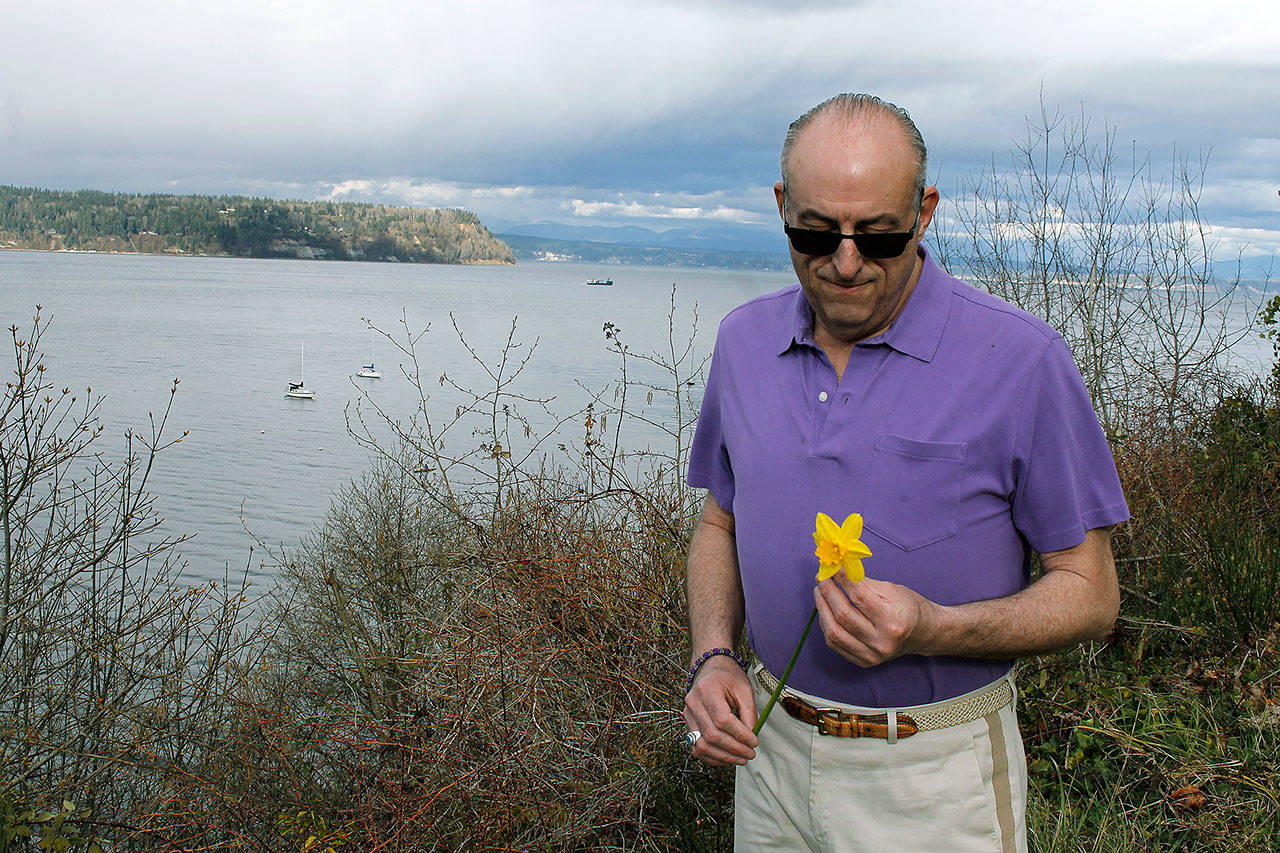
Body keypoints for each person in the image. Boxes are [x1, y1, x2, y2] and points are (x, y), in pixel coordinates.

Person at [681, 94, 1129, 852]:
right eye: (815, 232)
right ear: (782, 206)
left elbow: (1093, 595)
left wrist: (934, 626)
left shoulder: (1023, 361)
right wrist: (714, 655)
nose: (846, 262)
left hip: (935, 781)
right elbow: (719, 523)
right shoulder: (742, 342)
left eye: (880, 237)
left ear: (925, 212)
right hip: (770, 762)